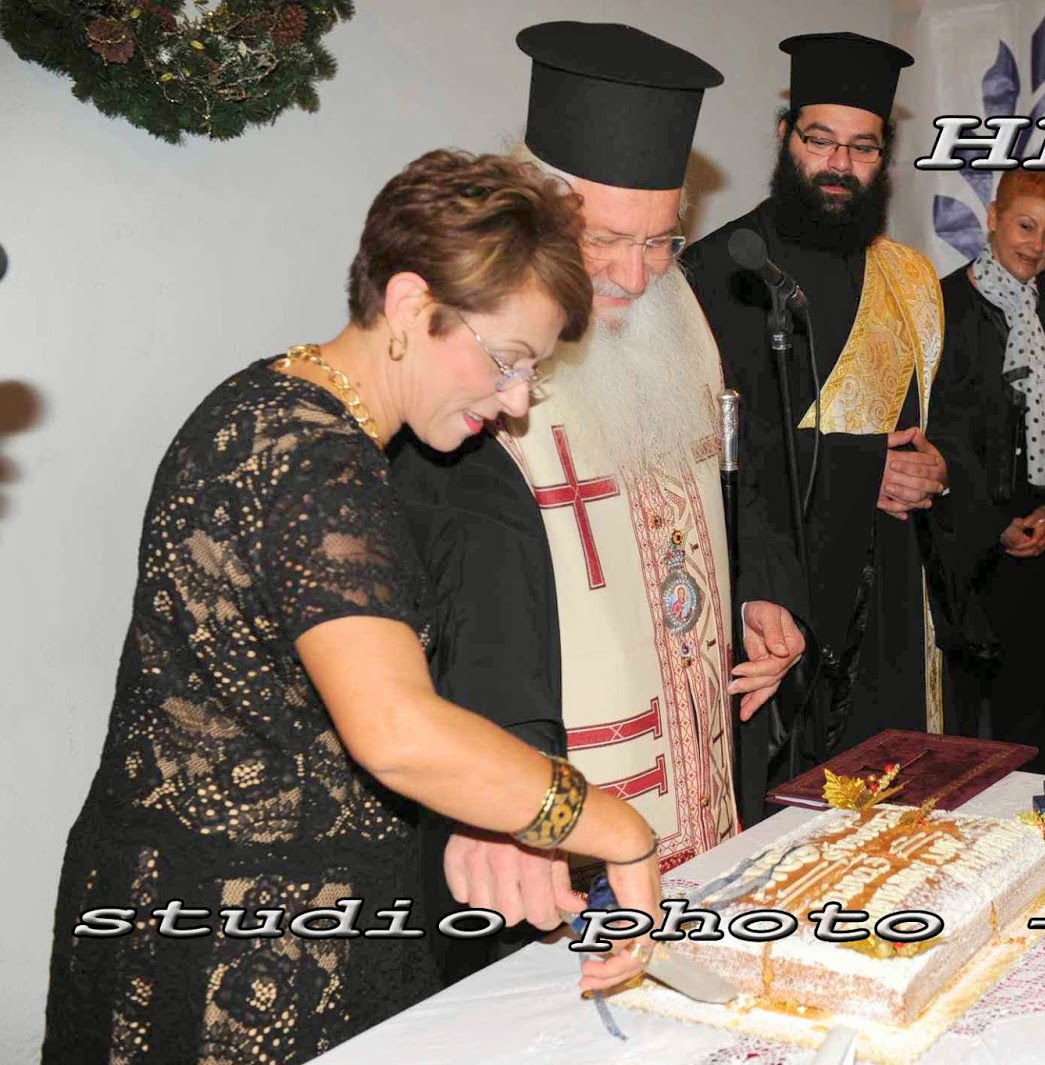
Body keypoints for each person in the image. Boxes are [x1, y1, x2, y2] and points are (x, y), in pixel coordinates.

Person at [41, 149, 661, 1065]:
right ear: (410, 306)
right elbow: (397, 731)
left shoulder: (268, 403)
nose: (516, 401)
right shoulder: (317, 462)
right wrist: (620, 830)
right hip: (236, 946)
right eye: (505, 360)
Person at [388, 21, 804, 985]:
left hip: (697, 775)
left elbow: (721, 478)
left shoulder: (678, 310)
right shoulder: (473, 345)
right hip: (547, 810)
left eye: (661, 239)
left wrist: (759, 591)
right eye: (604, 239)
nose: (632, 273)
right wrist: (504, 797)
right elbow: (460, 602)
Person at [683, 32, 958, 818]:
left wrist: (937, 469)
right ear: (785, 137)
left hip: (892, 593)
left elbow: (945, 427)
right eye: (820, 140)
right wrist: (866, 467)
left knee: (895, 815)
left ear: (884, 156)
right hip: (779, 596)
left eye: (862, 147)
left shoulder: (909, 276)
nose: (840, 164)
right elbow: (711, 448)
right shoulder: (722, 269)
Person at [931, 168, 1045, 773]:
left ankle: (1030, 815)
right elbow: (943, 429)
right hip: (964, 525)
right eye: (1025, 226)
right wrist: (994, 522)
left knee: (1028, 696)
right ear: (994, 218)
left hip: (1037, 523)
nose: (1037, 245)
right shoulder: (944, 303)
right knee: (960, 703)